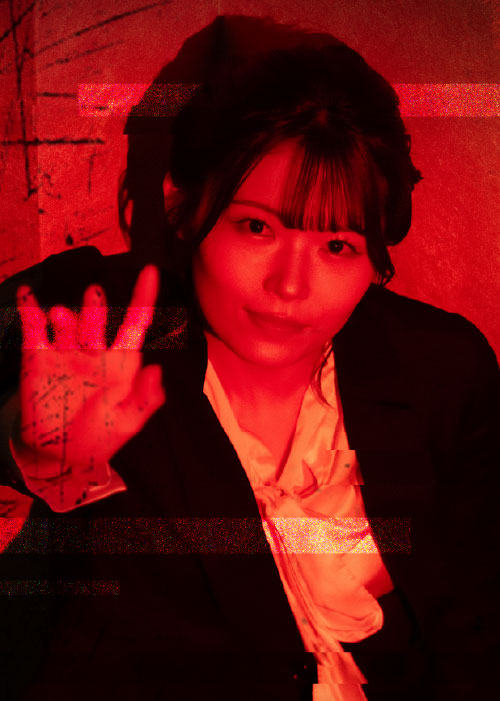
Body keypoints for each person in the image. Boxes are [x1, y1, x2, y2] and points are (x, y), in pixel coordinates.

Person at [0, 14, 498, 701]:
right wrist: (31, 448)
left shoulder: (441, 369)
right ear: (183, 203)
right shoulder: (101, 323)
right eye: (257, 226)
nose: (290, 286)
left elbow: (479, 627)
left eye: (337, 245)